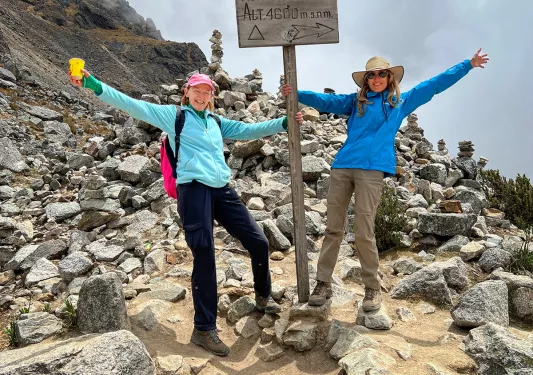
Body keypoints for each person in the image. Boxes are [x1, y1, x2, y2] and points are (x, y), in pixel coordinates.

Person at [69, 69, 303, 356]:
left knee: (258, 241)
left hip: (221, 189)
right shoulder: (174, 116)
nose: (202, 96)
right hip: (193, 191)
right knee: (204, 254)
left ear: (212, 96)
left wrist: (283, 122)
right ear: (188, 93)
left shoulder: (216, 122)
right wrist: (93, 84)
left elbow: (249, 130)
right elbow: (132, 104)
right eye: (198, 91)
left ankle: (263, 296)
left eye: (207, 92)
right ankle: (203, 329)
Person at [282, 48, 489, 312]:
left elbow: (435, 85)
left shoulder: (400, 103)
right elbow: (326, 101)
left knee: (363, 231)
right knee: (333, 229)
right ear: (366, 79)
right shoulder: (355, 102)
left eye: (382, 74)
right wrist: (296, 93)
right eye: (372, 75)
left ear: (390, 78)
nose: (377, 78)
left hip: (372, 170)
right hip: (343, 166)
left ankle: (371, 289)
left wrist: (467, 65)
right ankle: (323, 283)